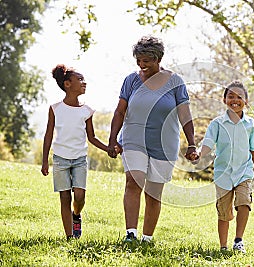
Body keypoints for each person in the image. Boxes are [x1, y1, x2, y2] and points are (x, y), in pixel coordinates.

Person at [107, 35, 198, 243]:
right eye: (138, 61)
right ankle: (131, 234)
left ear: (158, 59)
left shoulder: (175, 82)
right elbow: (120, 112)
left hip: (164, 144)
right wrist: (113, 139)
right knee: (133, 182)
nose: (141, 65)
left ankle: (147, 238)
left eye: (146, 60)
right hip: (133, 139)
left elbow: (185, 115)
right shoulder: (131, 80)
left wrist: (191, 143)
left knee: (154, 192)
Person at [41, 64, 109, 240]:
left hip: (79, 159)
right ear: (67, 84)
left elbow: (92, 137)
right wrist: (44, 161)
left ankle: (76, 215)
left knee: (79, 197)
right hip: (60, 160)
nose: (84, 82)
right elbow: (48, 135)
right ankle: (70, 236)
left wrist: (108, 148)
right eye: (80, 79)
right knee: (64, 197)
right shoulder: (55, 108)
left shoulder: (87, 110)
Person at [194, 80, 254, 253]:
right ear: (224, 100)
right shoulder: (217, 123)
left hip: (244, 171)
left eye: (239, 97)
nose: (235, 100)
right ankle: (223, 246)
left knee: (244, 202)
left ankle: (238, 240)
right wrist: (199, 153)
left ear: (246, 101)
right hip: (223, 173)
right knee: (224, 212)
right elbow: (208, 143)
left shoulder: (251, 124)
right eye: (231, 96)